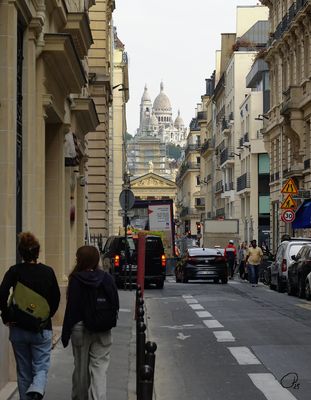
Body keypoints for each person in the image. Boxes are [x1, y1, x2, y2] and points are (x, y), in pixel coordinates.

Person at [0, 232, 60, 400]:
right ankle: (38, 388)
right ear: (37, 252)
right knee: (40, 367)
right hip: (41, 329)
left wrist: (6, 316)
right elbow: (56, 298)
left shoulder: (14, 271)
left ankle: (28, 395)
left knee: (23, 371)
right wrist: (46, 317)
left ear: (21, 253)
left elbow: (2, 293)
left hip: (18, 327)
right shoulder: (48, 272)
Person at [61, 245, 119, 400]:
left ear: (80, 260)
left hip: (81, 329)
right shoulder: (107, 278)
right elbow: (115, 303)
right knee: (100, 370)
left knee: (81, 372)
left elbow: (71, 309)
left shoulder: (76, 279)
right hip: (103, 329)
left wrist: (65, 334)